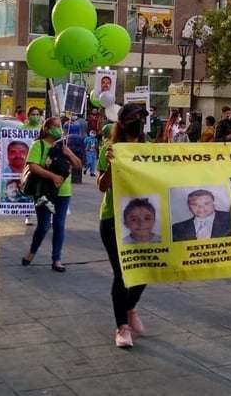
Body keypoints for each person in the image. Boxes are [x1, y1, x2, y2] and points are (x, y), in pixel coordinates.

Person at [96, 102, 149, 348]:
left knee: (145, 269)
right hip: (113, 219)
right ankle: (122, 326)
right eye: (136, 117)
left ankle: (129, 307)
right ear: (123, 122)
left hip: (143, 219)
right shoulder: (110, 148)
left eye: (143, 116)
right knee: (121, 273)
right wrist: (110, 166)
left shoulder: (150, 149)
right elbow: (102, 186)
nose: (140, 120)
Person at [21, 116, 82, 272]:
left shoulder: (65, 145)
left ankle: (57, 259)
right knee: (44, 225)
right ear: (47, 129)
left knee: (59, 225)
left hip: (63, 192)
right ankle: (32, 251)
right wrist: (52, 176)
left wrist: (69, 154)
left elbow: (78, 165)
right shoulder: (38, 145)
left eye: (60, 127)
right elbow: (33, 167)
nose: (59, 130)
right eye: (55, 126)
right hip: (43, 191)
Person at [22, 107, 42, 225]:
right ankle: (29, 215)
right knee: (29, 190)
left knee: (43, 191)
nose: (35, 116)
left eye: (37, 114)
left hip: (41, 163)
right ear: (28, 116)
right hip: (28, 163)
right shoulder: (22, 129)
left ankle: (45, 215)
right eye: (33, 114)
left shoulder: (42, 129)